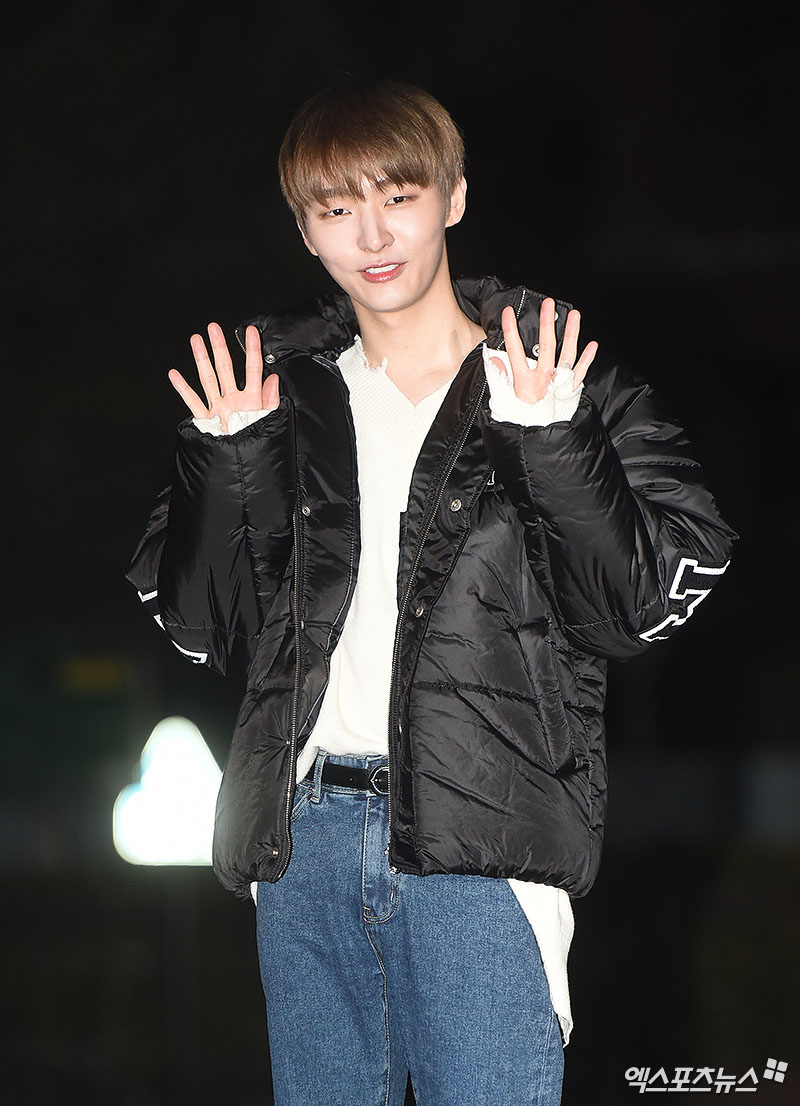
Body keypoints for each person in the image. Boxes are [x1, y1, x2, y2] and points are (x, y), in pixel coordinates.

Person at [127, 80, 736, 1106]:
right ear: (307, 230)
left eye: (397, 196)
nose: (371, 232)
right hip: (304, 842)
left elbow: (635, 605)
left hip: (481, 843)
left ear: (451, 197)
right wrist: (227, 462)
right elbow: (200, 627)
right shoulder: (275, 398)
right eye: (335, 208)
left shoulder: (560, 379)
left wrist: (550, 443)